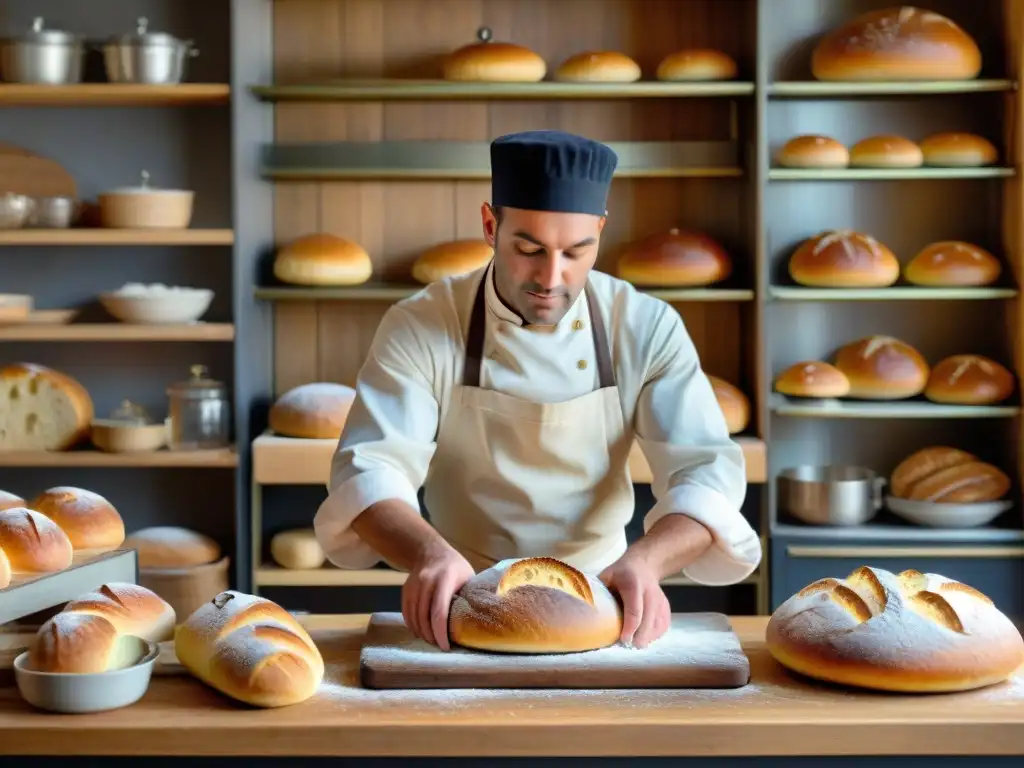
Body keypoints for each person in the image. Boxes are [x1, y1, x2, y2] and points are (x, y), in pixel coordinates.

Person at [314, 129, 761, 652]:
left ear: (600, 230)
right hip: (462, 597)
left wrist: (647, 561)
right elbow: (370, 470)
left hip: (603, 597)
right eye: (529, 249)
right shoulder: (421, 324)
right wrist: (428, 556)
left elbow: (706, 473)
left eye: (577, 251)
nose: (552, 277)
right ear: (489, 225)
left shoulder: (645, 326)